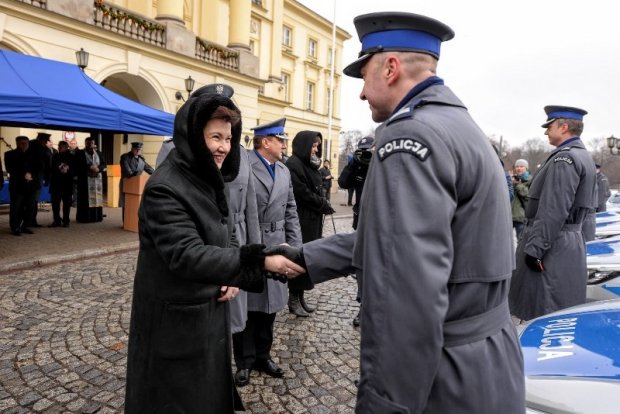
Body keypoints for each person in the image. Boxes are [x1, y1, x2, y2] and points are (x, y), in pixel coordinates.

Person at [266, 11, 525, 413]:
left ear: (390, 68)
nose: (361, 93)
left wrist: (383, 403)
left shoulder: (410, 136)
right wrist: (307, 257)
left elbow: (406, 294)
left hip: (443, 375)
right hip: (486, 362)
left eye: (364, 75)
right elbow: (400, 239)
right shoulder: (459, 125)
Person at [123, 89, 304, 413]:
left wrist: (233, 273)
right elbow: (187, 253)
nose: (224, 146)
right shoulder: (166, 186)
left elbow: (228, 231)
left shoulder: (206, 175)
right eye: (215, 137)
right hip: (174, 326)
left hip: (206, 314)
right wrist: (259, 261)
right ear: (194, 135)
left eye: (229, 138)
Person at [232, 118, 303, 387]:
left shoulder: (283, 170)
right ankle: (244, 362)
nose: (285, 144)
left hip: (279, 242)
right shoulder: (244, 166)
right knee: (249, 306)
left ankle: (263, 355)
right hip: (252, 242)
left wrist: (295, 247)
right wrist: (254, 251)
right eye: (280, 140)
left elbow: (291, 210)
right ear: (265, 142)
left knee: (271, 306)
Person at [510, 105, 597, 321]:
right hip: (566, 241)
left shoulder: (564, 159)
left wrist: (535, 250)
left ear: (564, 127)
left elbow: (553, 210)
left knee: (543, 316)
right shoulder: (581, 156)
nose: (546, 131)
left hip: (552, 246)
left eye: (549, 126)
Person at [285, 131, 334, 317]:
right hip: (301, 220)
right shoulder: (293, 164)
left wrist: (322, 203)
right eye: (313, 145)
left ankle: (301, 296)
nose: (316, 149)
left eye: (317, 146)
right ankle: (293, 299)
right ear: (305, 145)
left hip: (312, 219)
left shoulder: (310, 164)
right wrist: (322, 203)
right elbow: (301, 192)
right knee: (299, 259)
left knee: (308, 259)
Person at [338, 136, 374, 230]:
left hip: (375, 217)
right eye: (362, 150)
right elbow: (343, 183)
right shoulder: (357, 167)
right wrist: (353, 163)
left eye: (368, 150)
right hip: (359, 216)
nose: (365, 153)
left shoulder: (380, 165)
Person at [4, 136, 36, 236]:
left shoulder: (33, 155)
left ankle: (24, 226)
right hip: (17, 186)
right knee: (16, 208)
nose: (24, 145)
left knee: (30, 207)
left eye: (26, 143)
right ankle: (15, 227)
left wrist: (32, 175)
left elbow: (38, 167)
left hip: (30, 186)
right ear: (17, 143)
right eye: (22, 143)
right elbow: (10, 169)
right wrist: (23, 175)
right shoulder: (10, 154)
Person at [75, 136, 106, 223]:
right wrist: (89, 167)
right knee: (85, 200)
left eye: (91, 143)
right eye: (88, 143)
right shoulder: (80, 153)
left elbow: (104, 164)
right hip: (85, 181)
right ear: (85, 143)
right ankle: (84, 218)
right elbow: (77, 165)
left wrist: (98, 168)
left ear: (94, 144)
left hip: (97, 181)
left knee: (97, 198)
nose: (90, 145)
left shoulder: (99, 153)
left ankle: (96, 217)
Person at [119, 142, 154, 219]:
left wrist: (157, 174)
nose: (138, 151)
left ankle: (134, 221)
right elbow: (127, 171)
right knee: (126, 203)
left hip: (137, 186)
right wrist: (134, 175)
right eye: (136, 149)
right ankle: (126, 222)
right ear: (132, 149)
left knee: (137, 204)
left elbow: (149, 169)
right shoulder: (125, 157)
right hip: (127, 183)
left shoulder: (141, 159)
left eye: (139, 150)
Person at [26, 132, 52, 227]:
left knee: (34, 200)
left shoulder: (43, 149)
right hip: (33, 177)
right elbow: (47, 165)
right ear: (40, 139)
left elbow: (47, 165)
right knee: (32, 201)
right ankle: (29, 221)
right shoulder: (35, 147)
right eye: (45, 141)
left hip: (37, 177)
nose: (45, 143)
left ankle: (32, 221)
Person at [48, 140, 75, 227]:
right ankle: (56, 220)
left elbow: (75, 169)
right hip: (56, 183)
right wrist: (58, 169)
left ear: (66, 147)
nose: (59, 148)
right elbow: (51, 168)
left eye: (61, 146)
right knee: (55, 204)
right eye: (59, 146)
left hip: (67, 184)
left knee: (66, 204)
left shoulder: (71, 157)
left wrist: (68, 170)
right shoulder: (55, 156)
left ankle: (66, 221)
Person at [511, 158, 531, 240]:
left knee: (521, 242)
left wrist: (518, 185)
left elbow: (528, 195)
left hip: (522, 217)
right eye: (517, 166)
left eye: (521, 166)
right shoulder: (512, 179)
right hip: (510, 216)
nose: (519, 168)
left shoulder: (530, 180)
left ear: (526, 168)